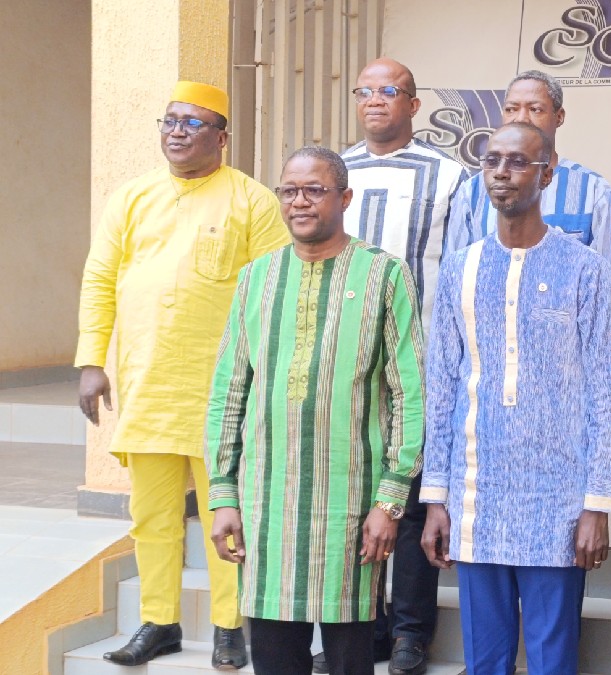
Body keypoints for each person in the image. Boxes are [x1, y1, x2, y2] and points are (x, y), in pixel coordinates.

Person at [76, 81, 289, 669]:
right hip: (147, 383)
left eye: (193, 123)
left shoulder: (251, 200)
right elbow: (100, 278)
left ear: (222, 137)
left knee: (227, 513)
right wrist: (92, 360)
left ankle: (229, 627)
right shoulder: (132, 197)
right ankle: (159, 621)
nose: (177, 131)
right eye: (170, 120)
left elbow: (274, 292)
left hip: (223, 391)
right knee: (152, 516)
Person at [206, 146, 425, 675]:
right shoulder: (256, 278)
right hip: (265, 505)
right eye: (289, 191)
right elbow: (229, 390)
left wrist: (391, 499)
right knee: (274, 658)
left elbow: (410, 393)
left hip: (349, 505)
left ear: (345, 198)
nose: (299, 202)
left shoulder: (384, 275)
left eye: (314, 190)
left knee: (350, 657)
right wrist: (223, 493)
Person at [419, 122, 611, 675]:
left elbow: (606, 393)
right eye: (492, 161)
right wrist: (435, 497)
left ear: (547, 173)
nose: (502, 173)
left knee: (553, 659)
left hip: (557, 500)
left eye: (517, 162)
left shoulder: (584, 269)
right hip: (476, 493)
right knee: (484, 660)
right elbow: (441, 387)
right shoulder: (461, 267)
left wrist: (596, 503)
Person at [321, 57, 468, 675]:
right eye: (366, 91)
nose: (376, 100)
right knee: (352, 492)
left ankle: (410, 632)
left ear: (413, 103)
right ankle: (362, 628)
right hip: (345, 360)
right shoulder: (335, 171)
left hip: (418, 359)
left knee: (407, 499)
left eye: (390, 91)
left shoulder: (450, 175)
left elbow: (458, 268)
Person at [447, 70, 611, 283]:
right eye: (511, 109)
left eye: (535, 109)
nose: (521, 118)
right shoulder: (472, 191)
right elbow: (454, 277)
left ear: (559, 117)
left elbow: (605, 283)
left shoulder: (594, 190)